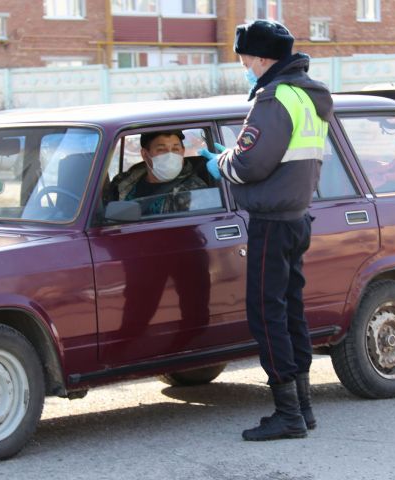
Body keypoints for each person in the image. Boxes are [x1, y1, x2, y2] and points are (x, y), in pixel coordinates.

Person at [200, 20, 333, 441]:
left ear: (259, 57)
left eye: (243, 56)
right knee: (291, 310)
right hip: (297, 217)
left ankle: (288, 415)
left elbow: (250, 164)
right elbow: (277, 153)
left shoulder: (274, 98)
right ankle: (304, 407)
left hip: (272, 223)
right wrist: (238, 154)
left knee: (266, 314)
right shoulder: (307, 95)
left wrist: (221, 162)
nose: (242, 64)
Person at [106, 130, 207, 215]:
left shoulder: (195, 190)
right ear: (145, 154)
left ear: (183, 151)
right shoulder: (122, 182)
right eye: (161, 150)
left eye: (175, 149)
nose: (170, 155)